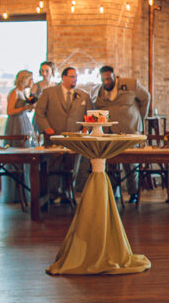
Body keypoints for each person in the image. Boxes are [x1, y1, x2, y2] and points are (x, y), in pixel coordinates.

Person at [91, 65, 150, 202]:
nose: (106, 82)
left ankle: (133, 192)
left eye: (109, 79)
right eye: (103, 80)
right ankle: (113, 192)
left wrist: (140, 118)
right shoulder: (97, 91)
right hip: (109, 132)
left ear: (114, 76)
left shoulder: (131, 84)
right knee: (111, 164)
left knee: (130, 163)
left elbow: (146, 98)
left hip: (129, 129)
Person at [34, 66, 90, 200]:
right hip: (54, 136)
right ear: (64, 77)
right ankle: (52, 193)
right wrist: (47, 128)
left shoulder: (83, 96)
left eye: (76, 77)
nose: (75, 79)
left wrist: (84, 130)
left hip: (75, 138)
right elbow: (39, 112)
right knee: (53, 166)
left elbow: (89, 115)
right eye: (72, 77)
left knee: (73, 166)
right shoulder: (49, 93)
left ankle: (68, 193)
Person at [3, 69, 36, 204]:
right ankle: (15, 192)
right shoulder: (14, 92)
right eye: (30, 79)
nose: (32, 82)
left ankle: (24, 190)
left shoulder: (23, 93)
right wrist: (25, 108)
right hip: (16, 123)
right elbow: (10, 111)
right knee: (16, 154)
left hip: (23, 121)